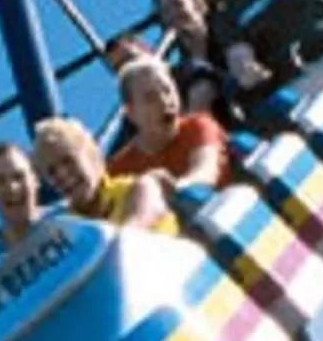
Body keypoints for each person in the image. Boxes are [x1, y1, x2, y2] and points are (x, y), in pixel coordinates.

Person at [113, 55, 233, 190]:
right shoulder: (119, 169)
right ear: (131, 112)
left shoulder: (199, 126)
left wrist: (171, 189)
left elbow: (205, 172)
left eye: (168, 91)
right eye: (150, 98)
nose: (165, 102)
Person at [32, 114, 172, 230]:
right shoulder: (65, 229)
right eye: (52, 172)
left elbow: (132, 233)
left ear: (91, 154)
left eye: (68, 160)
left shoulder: (140, 189)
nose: (62, 174)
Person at [0, 141, 42, 254]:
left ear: (36, 179)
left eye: (19, 176)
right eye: (0, 181)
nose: (12, 187)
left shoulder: (71, 218)